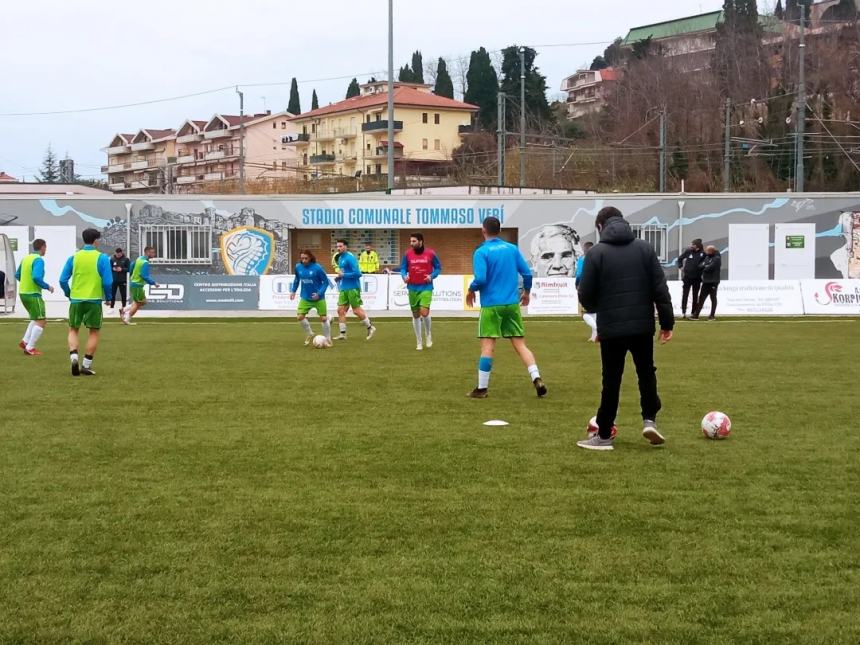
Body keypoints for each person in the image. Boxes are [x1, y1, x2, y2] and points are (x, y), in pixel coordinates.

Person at [576, 206, 674, 451]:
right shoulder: (645, 249)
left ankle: (605, 433)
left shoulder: (596, 253)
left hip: (611, 327)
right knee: (646, 372)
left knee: (611, 380)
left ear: (600, 227)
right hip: (642, 325)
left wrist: (601, 308)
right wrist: (667, 323)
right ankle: (649, 419)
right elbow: (660, 289)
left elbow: (585, 295)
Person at [466, 216, 546, 399]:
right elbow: (527, 273)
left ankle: (481, 388)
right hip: (511, 304)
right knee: (520, 344)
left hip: (491, 305)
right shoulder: (512, 249)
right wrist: (526, 292)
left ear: (483, 230)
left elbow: (481, 279)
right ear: (499, 230)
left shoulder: (481, 252)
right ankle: (537, 378)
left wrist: (471, 290)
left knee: (487, 346)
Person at [59, 228, 113, 376]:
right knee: (94, 332)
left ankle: (74, 356)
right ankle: (86, 365)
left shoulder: (74, 257)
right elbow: (108, 282)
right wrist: (108, 298)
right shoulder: (102, 258)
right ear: (96, 241)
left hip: (76, 299)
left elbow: (62, 280)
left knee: (73, 329)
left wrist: (69, 294)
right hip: (94, 300)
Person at [399, 232, 442, 351]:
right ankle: (419, 341)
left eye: (414, 241)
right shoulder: (407, 254)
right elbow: (403, 267)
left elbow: (438, 268)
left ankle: (428, 335)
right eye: (411, 241)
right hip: (412, 288)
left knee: (424, 312)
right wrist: (404, 275)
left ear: (420, 241)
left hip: (426, 287)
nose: (411, 243)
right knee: (415, 315)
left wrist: (432, 276)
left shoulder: (431, 253)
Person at [15, 238, 54, 356]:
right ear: (42, 247)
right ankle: (30, 347)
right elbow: (36, 277)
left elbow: (17, 275)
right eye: (45, 247)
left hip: (23, 293)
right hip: (33, 294)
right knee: (42, 320)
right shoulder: (38, 260)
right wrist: (47, 287)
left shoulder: (26, 258)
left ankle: (25, 341)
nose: (46, 249)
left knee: (35, 318)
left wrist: (26, 283)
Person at [334, 239, 376, 341]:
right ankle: (342, 334)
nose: (338, 248)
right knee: (340, 310)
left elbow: (358, 273)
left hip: (353, 288)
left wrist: (344, 275)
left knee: (356, 311)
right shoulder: (340, 259)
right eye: (337, 246)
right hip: (344, 288)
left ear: (345, 247)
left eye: (340, 246)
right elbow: (343, 272)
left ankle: (370, 327)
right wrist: (339, 277)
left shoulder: (350, 258)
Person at [289, 250, 333, 346]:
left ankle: (328, 338)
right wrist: (293, 291)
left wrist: (319, 293)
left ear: (310, 258)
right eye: (302, 258)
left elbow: (325, 282)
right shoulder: (298, 267)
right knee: (300, 317)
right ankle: (310, 333)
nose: (304, 260)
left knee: (323, 319)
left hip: (319, 298)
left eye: (306, 258)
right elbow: (296, 279)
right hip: (305, 297)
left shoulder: (318, 268)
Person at [123, 246, 158, 325]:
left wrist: (133, 276)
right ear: (147, 252)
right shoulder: (145, 263)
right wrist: (154, 283)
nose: (154, 254)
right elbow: (144, 276)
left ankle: (124, 310)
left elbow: (131, 267)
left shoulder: (139, 259)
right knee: (139, 303)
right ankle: (127, 318)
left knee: (142, 301)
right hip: (138, 285)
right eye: (152, 252)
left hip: (135, 283)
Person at [677, 238, 705, 319]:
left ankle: (693, 312)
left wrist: (702, 269)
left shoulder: (703, 254)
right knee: (685, 294)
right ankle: (683, 312)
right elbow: (680, 258)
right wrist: (680, 267)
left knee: (695, 295)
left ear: (697, 246)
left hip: (697, 278)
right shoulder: (688, 251)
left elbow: (705, 263)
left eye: (693, 244)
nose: (691, 245)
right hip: (687, 277)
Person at [691, 246, 721, 321]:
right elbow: (700, 266)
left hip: (713, 282)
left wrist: (705, 266)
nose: (706, 252)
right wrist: (705, 265)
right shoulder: (707, 257)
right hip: (705, 281)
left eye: (707, 251)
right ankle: (696, 315)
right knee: (701, 298)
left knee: (713, 298)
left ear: (711, 251)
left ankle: (712, 315)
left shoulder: (717, 258)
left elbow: (710, 268)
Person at [575, 241, 597, 342]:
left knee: (585, 314)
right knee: (594, 312)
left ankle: (598, 329)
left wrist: (577, 284)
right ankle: (594, 336)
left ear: (584, 250)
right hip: (598, 288)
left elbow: (579, 274)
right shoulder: (598, 258)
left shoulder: (582, 259)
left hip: (585, 288)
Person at [109, 247, 131, 313]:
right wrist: (113, 269)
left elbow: (129, 269)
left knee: (123, 295)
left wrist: (122, 269)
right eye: (117, 254)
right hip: (114, 280)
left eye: (119, 254)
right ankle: (111, 308)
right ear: (115, 253)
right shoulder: (112, 259)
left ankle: (124, 308)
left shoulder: (126, 259)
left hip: (122, 280)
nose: (118, 255)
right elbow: (109, 268)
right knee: (112, 294)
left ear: (121, 253)